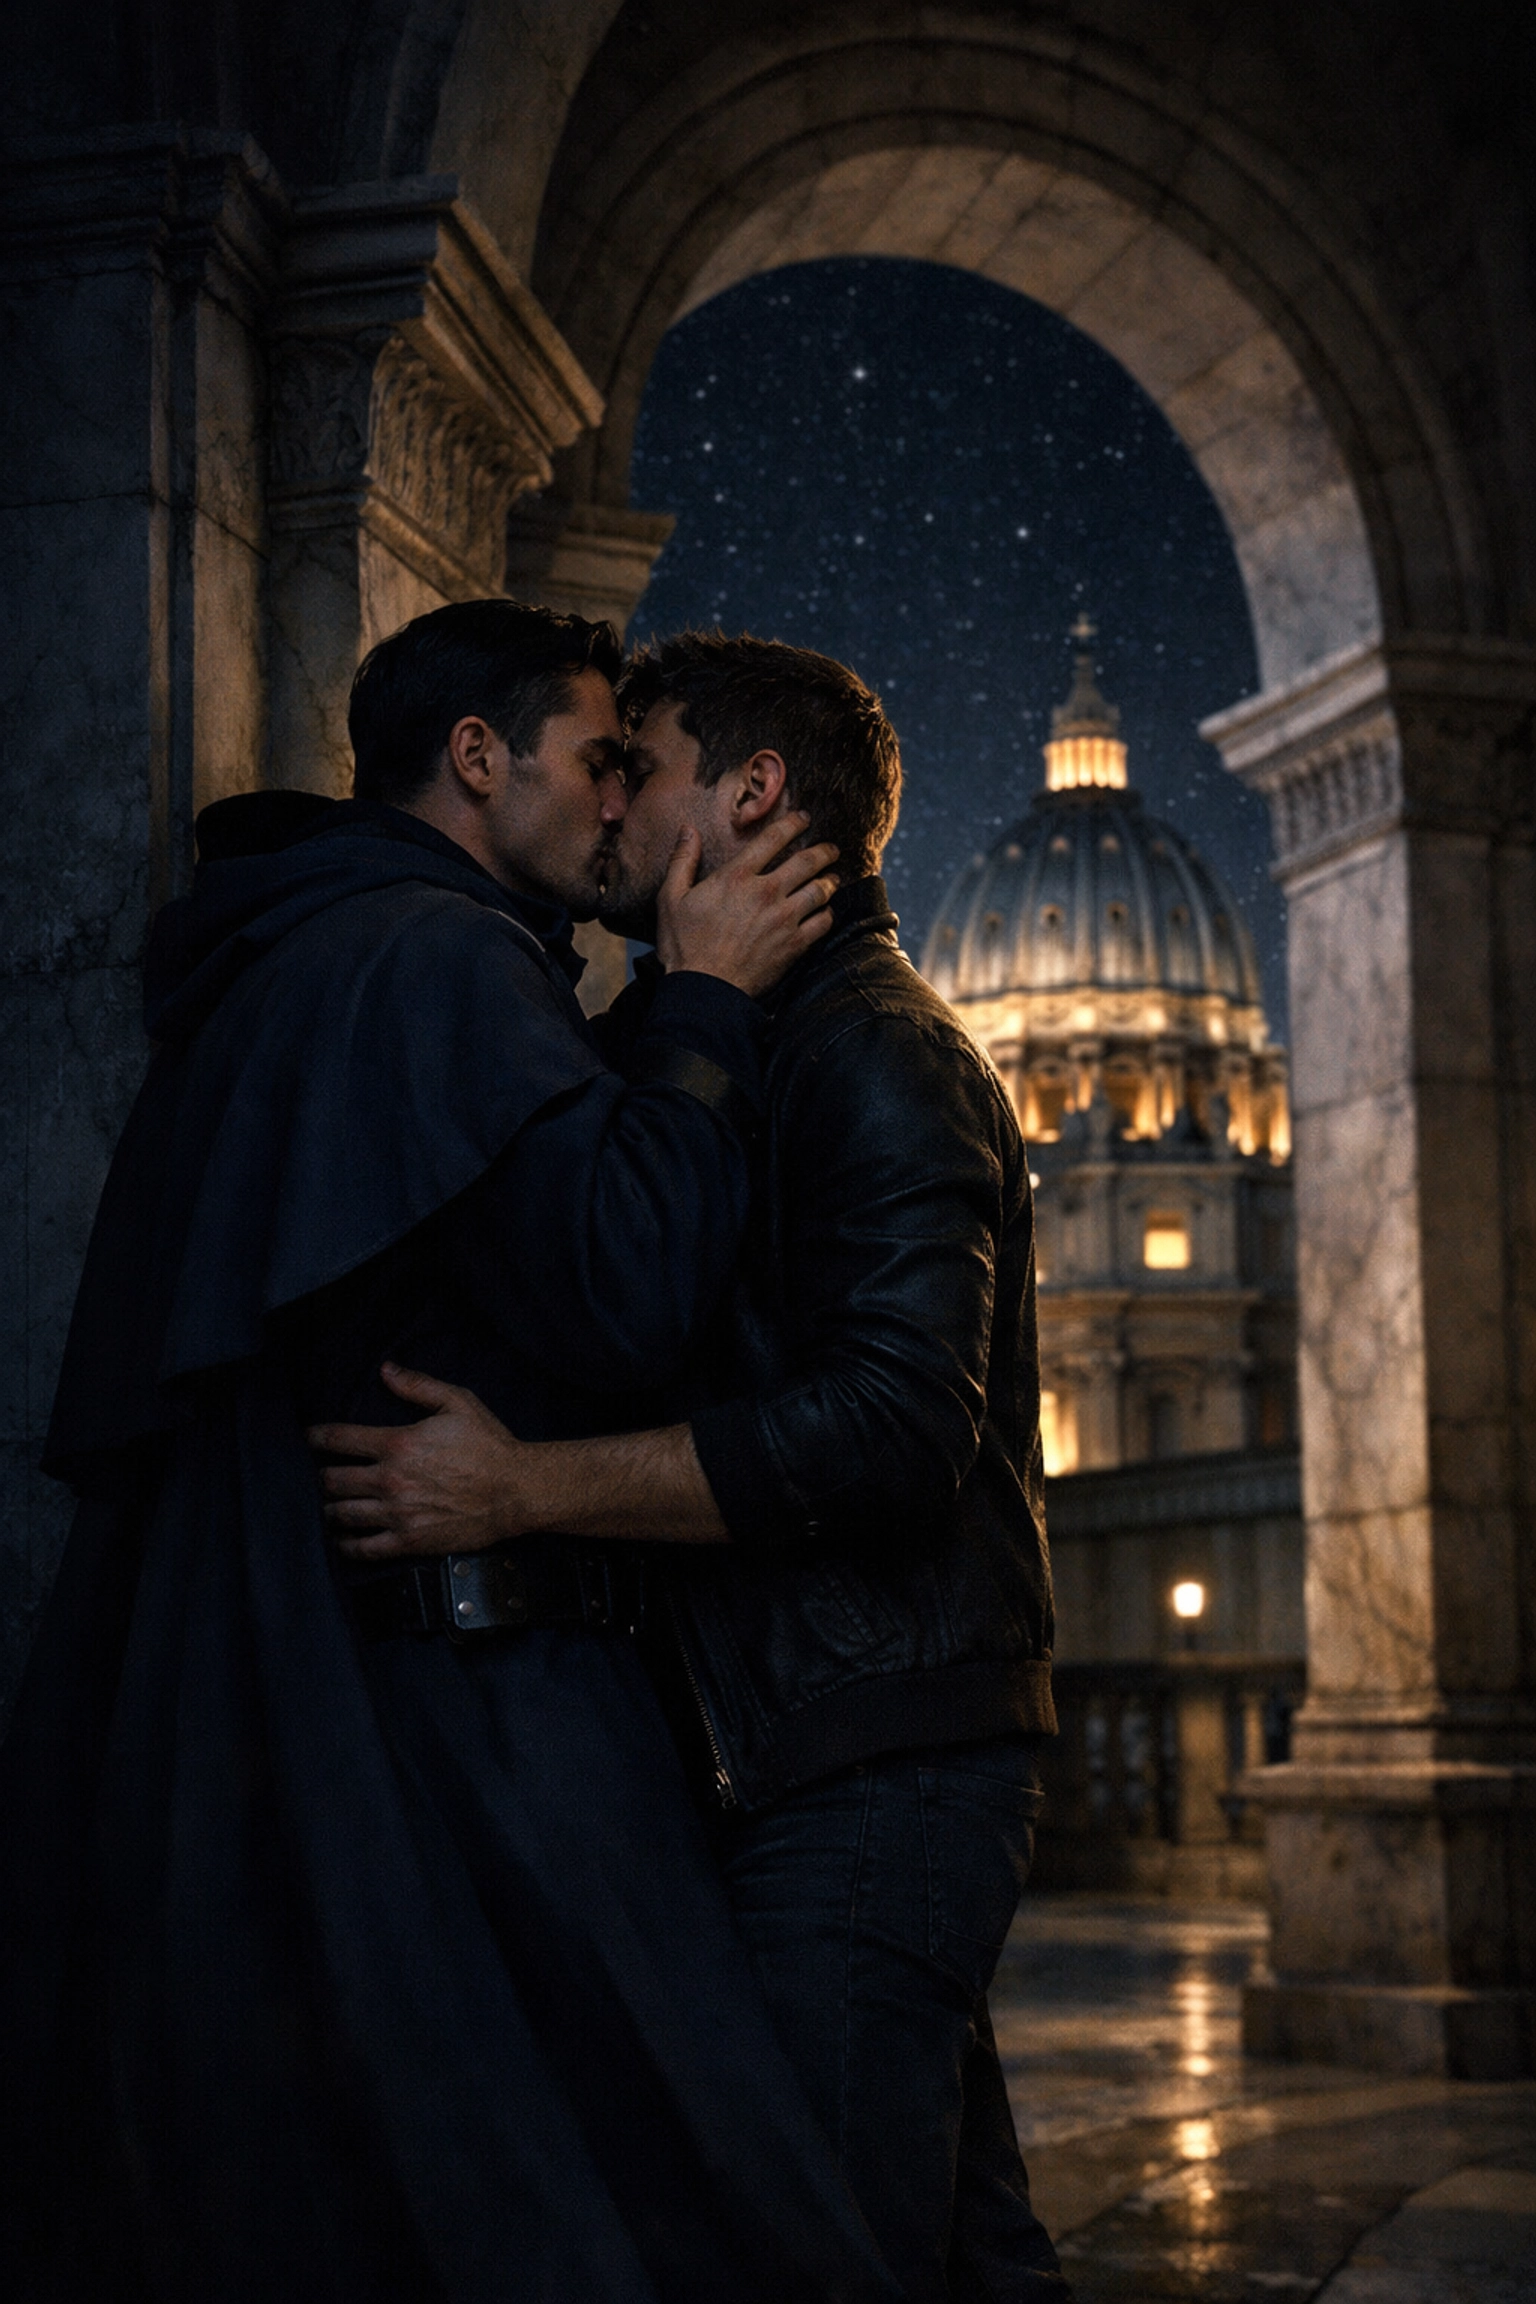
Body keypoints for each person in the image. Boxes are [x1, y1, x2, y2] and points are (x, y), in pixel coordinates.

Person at [0, 601, 905, 2304]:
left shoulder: (311, 939)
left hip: (298, 1672)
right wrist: (703, 1002)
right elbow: (625, 1282)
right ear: (479, 761)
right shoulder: (433, 955)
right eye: (600, 759)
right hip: (438, 1701)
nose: (624, 801)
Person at [314, 631, 1073, 2302]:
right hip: (819, 1752)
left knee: (806, 2257)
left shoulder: (873, 1047)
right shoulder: (734, 1036)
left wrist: (523, 1490)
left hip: (865, 1770)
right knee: (952, 2251)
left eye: (633, 764)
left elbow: (893, 1427)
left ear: (747, 795)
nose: (606, 800)